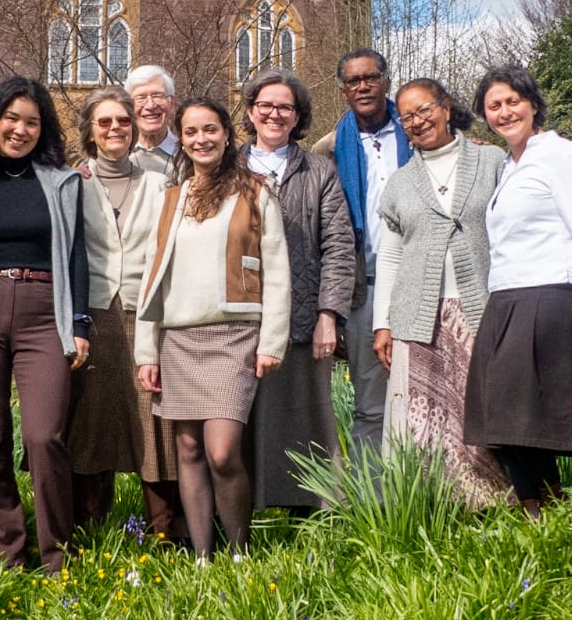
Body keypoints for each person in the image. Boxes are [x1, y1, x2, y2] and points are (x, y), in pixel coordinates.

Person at [136, 99, 291, 559]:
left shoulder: (255, 192)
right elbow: (151, 274)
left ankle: (239, 552)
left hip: (234, 336)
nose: (201, 139)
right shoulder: (172, 198)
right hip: (179, 338)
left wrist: (272, 341)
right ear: (181, 139)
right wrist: (147, 352)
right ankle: (203, 557)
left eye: (210, 130)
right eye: (190, 132)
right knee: (188, 450)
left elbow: (278, 270)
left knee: (222, 452)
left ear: (227, 134)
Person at [463, 66, 572, 517]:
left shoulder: (563, 156)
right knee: (503, 420)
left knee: (529, 419)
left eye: (513, 101)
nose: (505, 112)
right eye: (494, 106)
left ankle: (549, 513)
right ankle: (540, 513)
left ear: (533, 104)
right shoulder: (510, 165)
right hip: (506, 298)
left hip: (550, 295)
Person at [0, 77, 91, 573]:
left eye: (32, 122)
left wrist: (79, 323)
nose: (20, 130)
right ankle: (6, 552)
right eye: (11, 119)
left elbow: (78, 255)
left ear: (44, 129)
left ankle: (57, 552)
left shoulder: (61, 182)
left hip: (45, 311)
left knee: (43, 437)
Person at [371, 78, 510, 507]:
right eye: (407, 116)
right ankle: (434, 505)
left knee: (481, 406)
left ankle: (494, 502)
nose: (417, 121)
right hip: (417, 314)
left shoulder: (491, 162)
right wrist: (382, 325)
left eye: (425, 109)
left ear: (446, 108)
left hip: (480, 307)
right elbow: (390, 259)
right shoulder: (399, 183)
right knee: (423, 416)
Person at [65, 88, 184, 540]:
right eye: (105, 122)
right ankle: (88, 531)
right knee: (91, 421)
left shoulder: (159, 184)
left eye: (123, 121)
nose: (115, 128)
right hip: (93, 315)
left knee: (151, 420)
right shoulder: (73, 184)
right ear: (91, 133)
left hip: (144, 312)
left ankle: (165, 533)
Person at [238, 69, 354, 513]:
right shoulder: (230, 167)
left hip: (304, 316)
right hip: (240, 314)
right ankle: (245, 510)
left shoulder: (318, 171)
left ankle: (313, 512)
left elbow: (339, 245)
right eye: (265, 105)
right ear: (250, 111)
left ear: (298, 116)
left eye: (285, 107)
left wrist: (330, 314)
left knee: (306, 419)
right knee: (244, 419)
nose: (274, 113)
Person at [312, 48, 412, 464]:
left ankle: (429, 496)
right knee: (371, 403)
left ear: (386, 82)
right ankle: (375, 502)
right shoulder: (328, 150)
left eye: (371, 78)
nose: (363, 86)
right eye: (354, 81)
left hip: (422, 283)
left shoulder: (418, 134)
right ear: (343, 91)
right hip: (364, 289)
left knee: (430, 396)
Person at [125, 65, 178, 176]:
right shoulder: (119, 155)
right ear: (128, 107)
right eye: (141, 97)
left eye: (157, 96)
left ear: (172, 104)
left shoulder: (188, 155)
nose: (150, 105)